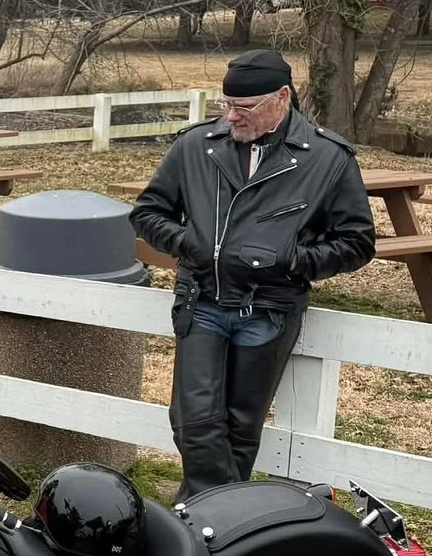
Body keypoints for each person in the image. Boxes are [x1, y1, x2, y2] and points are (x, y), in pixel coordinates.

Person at [130, 49, 376, 499]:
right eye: (226, 105)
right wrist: (188, 244)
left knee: (242, 427)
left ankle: (209, 530)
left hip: (270, 307)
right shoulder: (196, 145)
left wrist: (293, 259)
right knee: (195, 422)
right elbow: (148, 213)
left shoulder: (328, 157)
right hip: (202, 299)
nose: (232, 117)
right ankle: (214, 521)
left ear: (282, 98)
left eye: (244, 108)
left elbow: (357, 243)